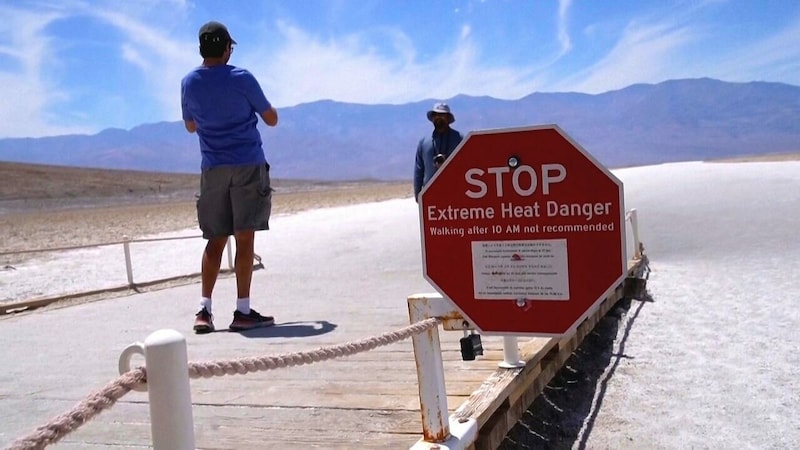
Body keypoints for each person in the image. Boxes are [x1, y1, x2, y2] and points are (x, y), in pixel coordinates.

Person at [181, 21, 279, 334]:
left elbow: (191, 126)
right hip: (247, 164)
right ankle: (243, 310)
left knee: (215, 239)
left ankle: (204, 310)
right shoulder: (241, 77)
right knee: (245, 237)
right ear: (226, 48)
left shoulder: (189, 82)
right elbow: (271, 118)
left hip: (212, 168)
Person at [413, 103, 464, 201]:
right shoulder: (424, 142)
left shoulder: (460, 139)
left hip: (456, 194)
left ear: (448, 118)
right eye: (435, 115)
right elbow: (418, 170)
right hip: (431, 196)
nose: (438, 117)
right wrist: (418, 195)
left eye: (442, 115)